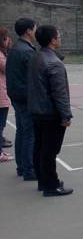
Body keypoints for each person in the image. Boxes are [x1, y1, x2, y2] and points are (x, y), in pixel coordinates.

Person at [28, 25, 73, 197]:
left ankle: (43, 181)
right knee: (50, 151)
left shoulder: (36, 57)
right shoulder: (54, 63)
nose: (60, 39)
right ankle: (51, 185)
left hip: (37, 111)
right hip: (51, 113)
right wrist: (66, 115)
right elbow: (60, 93)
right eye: (58, 36)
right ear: (53, 40)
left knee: (40, 148)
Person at [6, 18, 37, 180]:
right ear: (28, 31)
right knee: (30, 134)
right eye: (35, 28)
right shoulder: (26, 51)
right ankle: (29, 169)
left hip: (17, 95)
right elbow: (35, 76)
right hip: (26, 97)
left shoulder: (16, 48)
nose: (36, 31)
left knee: (22, 131)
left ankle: (22, 167)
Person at [0, 27, 13, 162]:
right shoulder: (0, 55)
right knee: (0, 124)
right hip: (1, 95)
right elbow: (9, 68)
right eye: (6, 38)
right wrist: (8, 49)